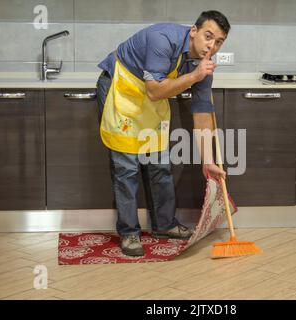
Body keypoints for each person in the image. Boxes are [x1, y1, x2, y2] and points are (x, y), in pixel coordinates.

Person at [96, 10, 230, 257]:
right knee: (126, 166)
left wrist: (208, 161)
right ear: (193, 31)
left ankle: (164, 224)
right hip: (122, 88)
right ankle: (129, 232)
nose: (211, 45)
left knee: (159, 162)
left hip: (150, 97)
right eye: (208, 36)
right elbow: (155, 91)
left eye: (219, 41)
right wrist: (195, 75)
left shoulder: (202, 65)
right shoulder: (163, 39)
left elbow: (201, 111)